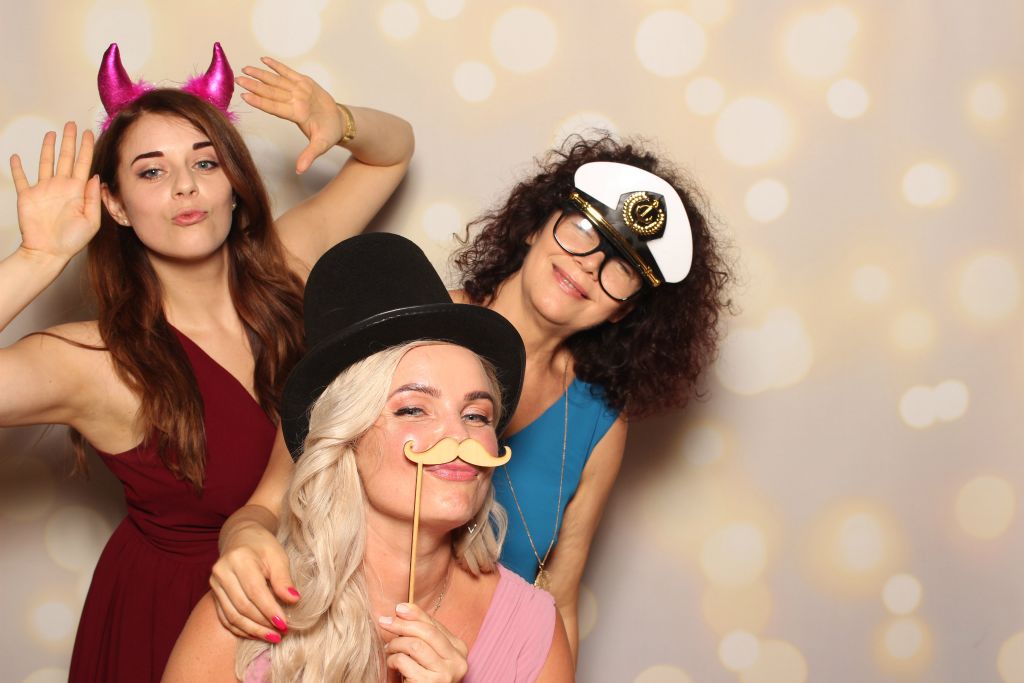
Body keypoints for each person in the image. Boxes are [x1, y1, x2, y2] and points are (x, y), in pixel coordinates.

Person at [212, 135, 732, 660]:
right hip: (339, 642)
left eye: (623, 267)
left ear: (626, 309)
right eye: (582, 229)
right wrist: (241, 541)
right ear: (535, 225)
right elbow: (265, 505)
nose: (588, 267)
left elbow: (560, 595)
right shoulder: (401, 323)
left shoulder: (600, 421)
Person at [0, 43, 413, 682]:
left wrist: (341, 120)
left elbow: (393, 152)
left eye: (205, 162)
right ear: (114, 205)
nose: (185, 186)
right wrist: (36, 260)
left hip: (326, 594)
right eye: (151, 172)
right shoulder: (97, 362)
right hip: (172, 616)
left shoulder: (290, 263)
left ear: (234, 186)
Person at [163, 233, 573, 682]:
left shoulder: (533, 629)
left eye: (476, 415)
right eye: (413, 409)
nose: (459, 436)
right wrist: (240, 532)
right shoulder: (249, 616)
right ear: (347, 438)